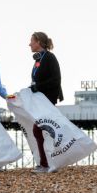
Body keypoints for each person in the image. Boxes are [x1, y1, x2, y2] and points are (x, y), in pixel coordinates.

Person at [29, 32, 64, 173]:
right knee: (40, 131)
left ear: (38, 42)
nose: (29, 44)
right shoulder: (39, 59)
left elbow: (56, 79)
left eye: (31, 41)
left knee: (38, 130)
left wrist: (39, 87)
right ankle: (47, 162)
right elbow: (38, 81)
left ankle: (46, 164)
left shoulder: (49, 57)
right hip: (41, 100)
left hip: (48, 100)